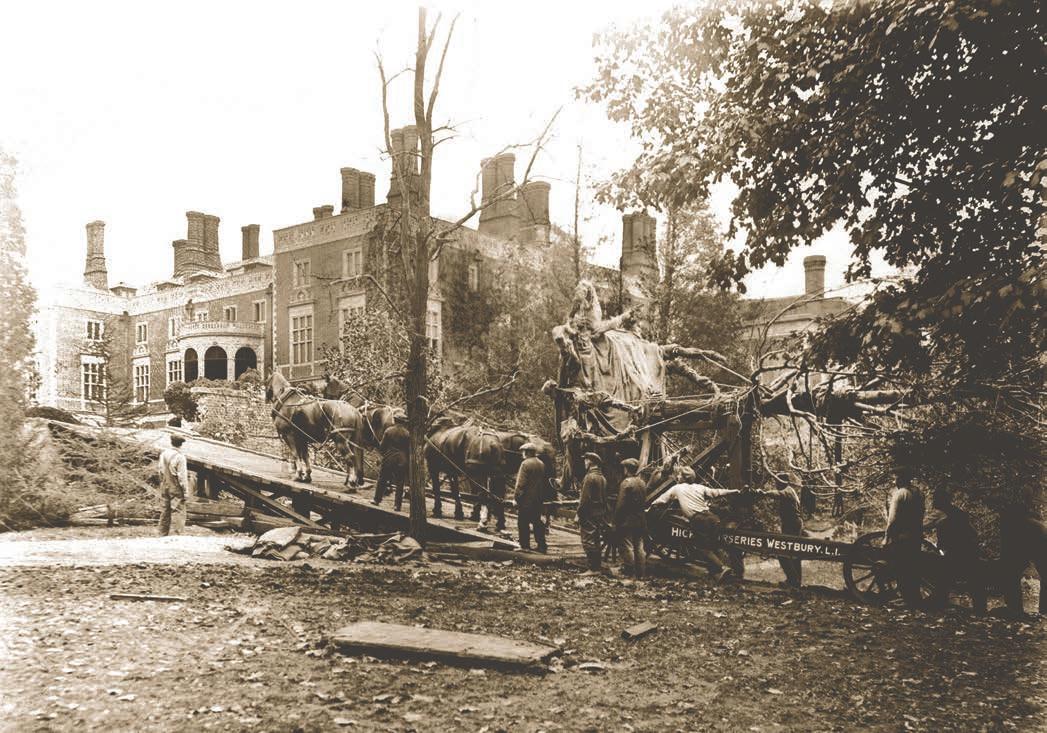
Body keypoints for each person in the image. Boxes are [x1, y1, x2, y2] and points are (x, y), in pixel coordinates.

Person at [650, 473, 741, 581]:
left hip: (699, 520)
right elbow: (717, 492)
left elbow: (663, 499)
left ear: (684, 478)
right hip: (712, 518)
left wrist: (651, 506)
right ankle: (720, 573)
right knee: (714, 544)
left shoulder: (677, 488)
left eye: (679, 475)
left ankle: (722, 568)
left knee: (701, 547)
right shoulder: (699, 487)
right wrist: (733, 491)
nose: (678, 477)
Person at [930, 489, 987, 615]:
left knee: (944, 576)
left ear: (939, 500)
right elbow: (973, 533)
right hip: (969, 549)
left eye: (936, 499)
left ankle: (938, 603)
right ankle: (981, 609)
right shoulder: (960, 513)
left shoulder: (940, 513)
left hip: (955, 550)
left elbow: (922, 526)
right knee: (974, 580)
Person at [884, 469, 926, 608]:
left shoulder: (900, 494)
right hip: (916, 535)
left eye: (896, 478)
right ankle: (914, 598)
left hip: (902, 536)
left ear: (900, 479)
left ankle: (906, 599)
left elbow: (892, 518)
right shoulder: (919, 493)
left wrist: (886, 537)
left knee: (902, 567)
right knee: (913, 567)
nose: (894, 481)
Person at [998, 505, 1046, 617]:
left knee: (1010, 574)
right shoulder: (1032, 523)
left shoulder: (1010, 524)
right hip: (1038, 543)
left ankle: (1015, 609)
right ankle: (1043, 612)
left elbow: (1006, 552)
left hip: (1035, 543)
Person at [759, 473, 805, 588]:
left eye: (778, 482)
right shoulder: (788, 491)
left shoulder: (788, 491)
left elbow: (778, 494)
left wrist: (764, 493)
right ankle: (795, 581)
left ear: (783, 482)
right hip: (790, 523)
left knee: (783, 552)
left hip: (793, 524)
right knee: (792, 553)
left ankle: (793, 580)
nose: (776, 484)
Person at [615, 458, 648, 579]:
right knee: (639, 546)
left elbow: (620, 504)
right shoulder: (642, 482)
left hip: (627, 520)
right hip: (640, 519)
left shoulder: (626, 483)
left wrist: (616, 520)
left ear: (626, 469)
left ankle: (630, 573)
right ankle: (641, 574)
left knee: (627, 546)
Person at [514, 443, 548, 553]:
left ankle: (525, 546)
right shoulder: (541, 463)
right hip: (538, 499)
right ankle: (542, 545)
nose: (522, 454)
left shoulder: (525, 464)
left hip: (526, 500)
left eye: (523, 452)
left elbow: (521, 484)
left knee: (523, 523)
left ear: (527, 452)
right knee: (537, 522)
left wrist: (516, 498)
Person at [577, 452, 608, 574]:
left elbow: (584, 499)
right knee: (596, 539)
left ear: (590, 462)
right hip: (599, 512)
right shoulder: (602, 478)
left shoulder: (589, 477)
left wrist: (579, 514)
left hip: (589, 513)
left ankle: (593, 568)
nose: (584, 463)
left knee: (588, 540)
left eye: (586, 460)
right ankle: (597, 567)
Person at [373, 413, 409, 511]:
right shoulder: (407, 434)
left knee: (382, 479)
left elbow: (382, 447)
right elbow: (408, 450)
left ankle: (377, 500)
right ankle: (397, 505)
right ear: (404, 422)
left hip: (388, 459)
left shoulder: (388, 431)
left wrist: (381, 454)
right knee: (400, 483)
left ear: (395, 420)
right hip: (402, 460)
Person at [158, 434, 189, 536]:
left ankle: (162, 534)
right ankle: (177, 535)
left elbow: (160, 471)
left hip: (165, 484)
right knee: (178, 510)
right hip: (175, 487)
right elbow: (182, 477)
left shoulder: (163, 454)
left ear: (171, 443)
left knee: (165, 510)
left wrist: (163, 483)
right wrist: (185, 492)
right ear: (181, 445)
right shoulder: (180, 457)